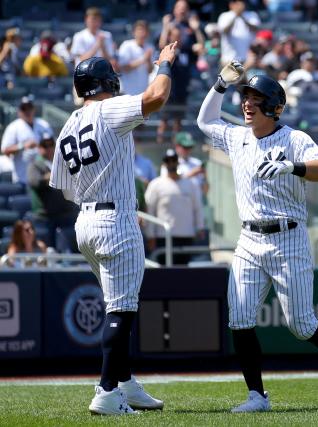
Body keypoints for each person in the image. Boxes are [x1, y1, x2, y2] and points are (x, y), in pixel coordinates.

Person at [197, 64, 318, 412]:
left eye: (255, 99)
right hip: (248, 239)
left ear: (273, 106)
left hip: (288, 238)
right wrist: (219, 85)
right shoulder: (237, 136)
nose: (247, 104)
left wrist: (294, 166)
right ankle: (256, 395)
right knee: (240, 317)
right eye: (245, 98)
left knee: (301, 324)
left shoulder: (294, 139)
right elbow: (204, 121)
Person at [49, 42, 178, 414]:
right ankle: (107, 391)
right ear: (106, 82)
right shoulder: (106, 110)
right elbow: (156, 96)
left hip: (84, 221)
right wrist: (165, 64)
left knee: (114, 305)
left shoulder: (68, 125)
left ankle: (124, 382)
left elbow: (63, 188)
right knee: (122, 310)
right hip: (114, 218)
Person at [145, 149, 204, 265]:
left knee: (183, 273)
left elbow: (197, 207)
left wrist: (200, 227)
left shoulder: (190, 184)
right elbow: (150, 211)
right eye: (168, 161)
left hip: (186, 236)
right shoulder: (156, 185)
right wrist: (150, 235)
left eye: (174, 160)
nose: (171, 163)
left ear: (178, 162)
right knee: (165, 274)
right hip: (164, 237)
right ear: (164, 163)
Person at [27, 134, 79, 248]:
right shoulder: (35, 165)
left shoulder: (62, 162)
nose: (49, 148)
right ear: (39, 148)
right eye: (45, 145)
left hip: (65, 214)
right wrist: (51, 176)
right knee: (47, 250)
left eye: (51, 145)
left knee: (67, 249)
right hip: (45, 217)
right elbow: (34, 181)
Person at [1, 97, 53, 185]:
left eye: (29, 108)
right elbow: (5, 150)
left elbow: (54, 147)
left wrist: (44, 148)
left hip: (44, 179)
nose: (27, 111)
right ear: (19, 111)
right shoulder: (13, 127)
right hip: (22, 178)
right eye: (24, 109)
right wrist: (22, 146)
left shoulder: (44, 125)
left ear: (34, 109)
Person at [117, 20, 154, 96]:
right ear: (134, 32)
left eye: (145, 30)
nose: (142, 33)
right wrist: (144, 59)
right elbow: (124, 68)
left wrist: (148, 60)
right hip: (127, 92)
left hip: (143, 92)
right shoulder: (126, 45)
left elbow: (150, 71)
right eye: (140, 30)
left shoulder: (150, 47)